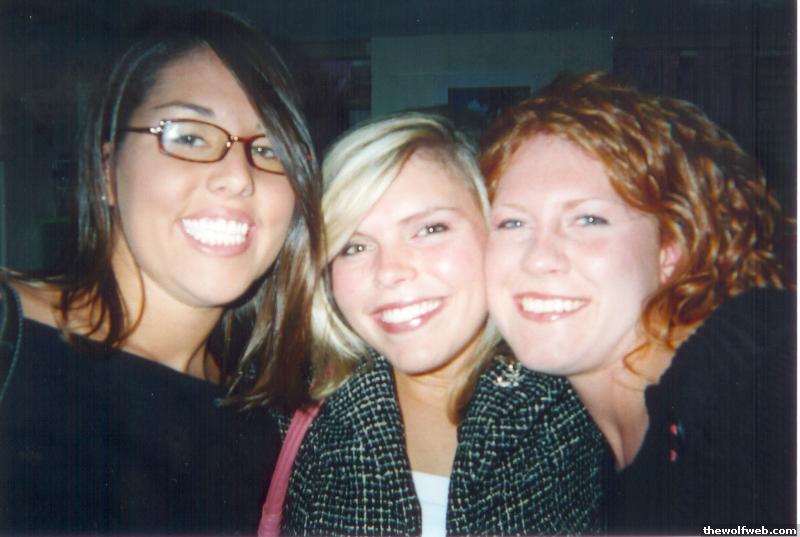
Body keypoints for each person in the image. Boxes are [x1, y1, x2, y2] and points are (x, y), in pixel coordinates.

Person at [0, 10, 322, 534]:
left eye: (268, 149)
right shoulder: (8, 337)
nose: (237, 177)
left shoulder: (269, 422)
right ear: (106, 172)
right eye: (189, 137)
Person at [481, 71, 795, 532]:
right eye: (512, 223)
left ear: (670, 249)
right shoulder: (568, 457)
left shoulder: (757, 378)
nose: (539, 258)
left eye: (588, 219)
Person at [278, 112, 604, 536]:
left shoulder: (590, 413)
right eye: (354, 246)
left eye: (430, 229)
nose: (390, 271)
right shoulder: (287, 412)